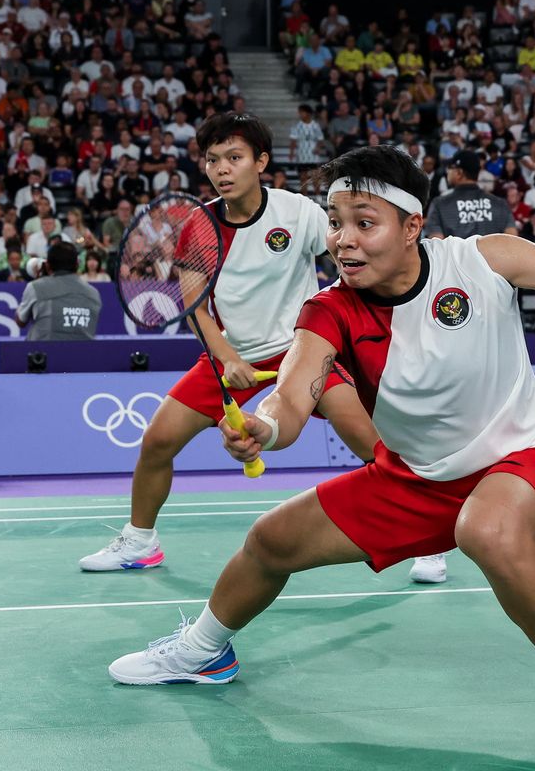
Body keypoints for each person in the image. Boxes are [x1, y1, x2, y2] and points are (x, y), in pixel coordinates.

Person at [107, 146, 535, 755]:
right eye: (337, 224)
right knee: (270, 541)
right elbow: (294, 392)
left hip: (525, 456)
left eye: (364, 224)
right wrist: (264, 428)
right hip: (417, 478)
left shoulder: (482, 260)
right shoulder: (330, 310)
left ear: (413, 226)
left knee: (486, 529)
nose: (344, 242)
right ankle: (203, 651)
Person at [77, 112, 379, 574]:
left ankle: (425, 532)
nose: (222, 169)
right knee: (158, 440)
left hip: (302, 348)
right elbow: (194, 305)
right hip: (229, 352)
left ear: (259, 162)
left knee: (365, 439)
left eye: (234, 158)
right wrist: (229, 358)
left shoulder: (297, 211)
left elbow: (348, 253)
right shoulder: (199, 225)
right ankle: (140, 541)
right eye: (213, 159)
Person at [15, 240, 102, 340]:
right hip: (84, 354)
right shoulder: (94, 293)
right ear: (77, 264)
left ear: (47, 265)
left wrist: (38, 283)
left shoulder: (35, 287)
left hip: (44, 353)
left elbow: (20, 322)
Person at [426, 151, 515, 240]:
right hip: (492, 253)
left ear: (459, 173)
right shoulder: (500, 204)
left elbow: (437, 244)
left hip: (456, 254)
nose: (447, 171)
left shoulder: (440, 204)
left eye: (450, 168)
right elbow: (512, 239)